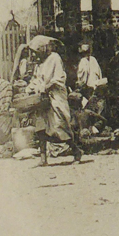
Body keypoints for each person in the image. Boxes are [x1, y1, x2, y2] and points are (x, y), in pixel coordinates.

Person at [26, 36, 81, 164]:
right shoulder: (39, 64)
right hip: (43, 99)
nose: (35, 54)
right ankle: (43, 158)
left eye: (37, 51)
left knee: (59, 126)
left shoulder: (55, 58)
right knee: (41, 127)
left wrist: (47, 86)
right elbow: (36, 79)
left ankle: (76, 151)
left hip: (55, 97)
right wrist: (30, 88)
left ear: (44, 48)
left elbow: (59, 78)